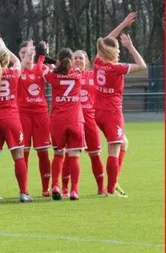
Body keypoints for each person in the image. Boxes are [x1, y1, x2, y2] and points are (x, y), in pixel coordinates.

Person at [93, 12, 146, 197]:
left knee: (124, 143)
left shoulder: (98, 62)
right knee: (114, 149)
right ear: (114, 53)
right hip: (111, 113)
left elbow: (105, 41)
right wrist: (131, 47)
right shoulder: (116, 68)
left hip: (97, 112)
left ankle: (114, 183)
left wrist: (123, 24)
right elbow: (142, 66)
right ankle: (110, 189)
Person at [0, 36, 33, 204]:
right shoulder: (13, 72)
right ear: (7, 60)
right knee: (18, 156)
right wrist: (4, 46)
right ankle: (24, 193)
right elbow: (19, 60)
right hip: (11, 118)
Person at [37, 45, 85, 201]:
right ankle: (74, 191)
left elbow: (41, 71)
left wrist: (44, 57)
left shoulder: (53, 76)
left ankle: (56, 185)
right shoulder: (78, 74)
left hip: (57, 121)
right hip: (75, 120)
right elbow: (72, 68)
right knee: (74, 156)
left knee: (58, 155)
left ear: (59, 60)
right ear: (70, 61)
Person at [61, 50, 106, 196]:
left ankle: (101, 188)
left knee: (95, 154)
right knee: (70, 154)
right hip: (73, 119)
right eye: (75, 58)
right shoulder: (67, 75)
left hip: (90, 119)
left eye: (81, 58)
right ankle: (65, 188)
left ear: (86, 61)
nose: (78, 60)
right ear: (71, 60)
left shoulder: (93, 75)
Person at [17, 41, 51, 197]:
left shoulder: (42, 69)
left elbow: (55, 74)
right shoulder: (16, 70)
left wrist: (47, 54)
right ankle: (24, 189)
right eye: (23, 52)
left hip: (41, 115)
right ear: (19, 55)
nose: (27, 54)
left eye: (30, 51)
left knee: (43, 152)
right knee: (23, 153)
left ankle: (46, 188)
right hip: (22, 115)